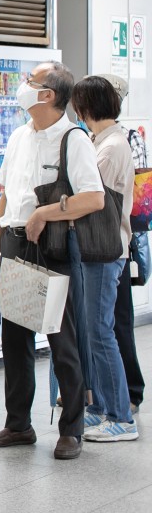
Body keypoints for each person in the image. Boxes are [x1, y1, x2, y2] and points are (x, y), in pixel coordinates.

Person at [0, 61, 101, 461]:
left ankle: (72, 428)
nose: (23, 86)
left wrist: (45, 213)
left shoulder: (73, 139)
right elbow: (6, 194)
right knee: (15, 338)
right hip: (15, 243)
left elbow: (93, 197)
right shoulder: (18, 136)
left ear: (48, 95)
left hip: (52, 246)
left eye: (30, 81)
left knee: (60, 338)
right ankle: (19, 424)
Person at [71, 75, 138, 442]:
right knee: (94, 331)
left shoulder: (110, 147)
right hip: (97, 249)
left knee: (100, 333)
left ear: (86, 107)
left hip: (104, 249)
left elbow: (89, 197)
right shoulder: (103, 141)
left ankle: (121, 417)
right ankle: (100, 408)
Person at [99, 73, 146, 413]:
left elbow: (142, 201)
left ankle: (131, 389)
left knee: (120, 319)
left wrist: (131, 238)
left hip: (117, 240)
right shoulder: (93, 136)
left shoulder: (125, 138)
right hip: (103, 241)